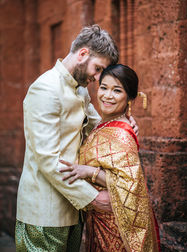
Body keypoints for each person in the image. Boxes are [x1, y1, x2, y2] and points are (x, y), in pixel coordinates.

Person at [15, 25, 122, 252]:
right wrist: (94, 198)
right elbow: (48, 160)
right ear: (83, 54)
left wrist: (125, 126)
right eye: (97, 68)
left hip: (73, 208)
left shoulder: (80, 91)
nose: (96, 77)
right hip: (43, 212)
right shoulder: (45, 89)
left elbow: (99, 129)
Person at [60, 64, 161, 251]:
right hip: (97, 220)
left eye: (117, 90)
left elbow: (128, 185)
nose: (107, 95)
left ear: (129, 97)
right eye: (104, 87)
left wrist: (88, 172)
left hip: (116, 227)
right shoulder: (105, 124)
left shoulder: (121, 135)